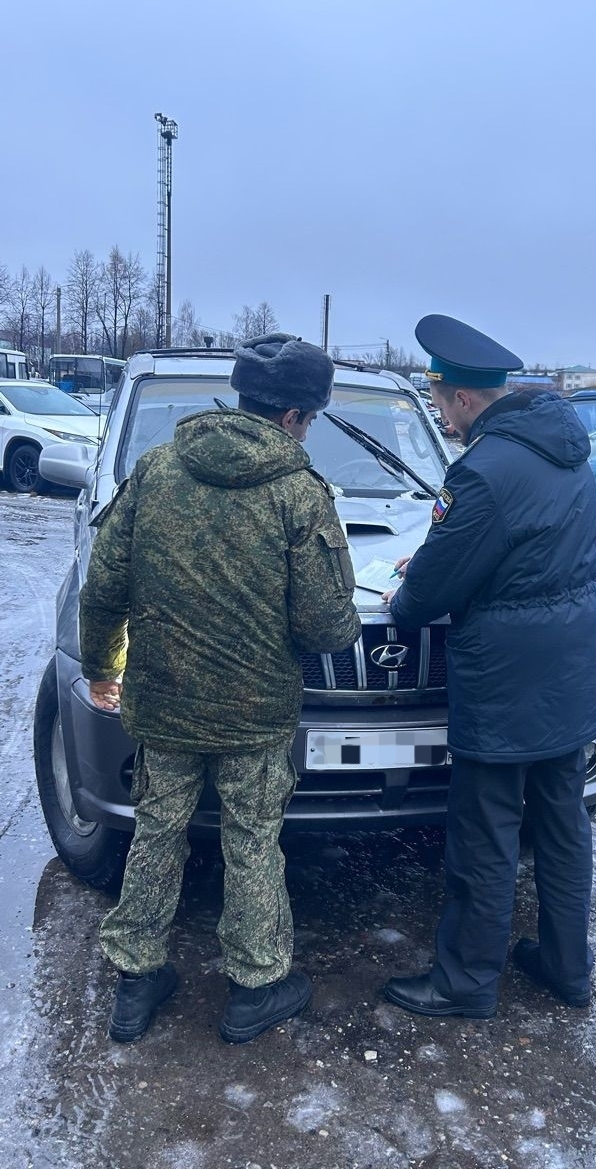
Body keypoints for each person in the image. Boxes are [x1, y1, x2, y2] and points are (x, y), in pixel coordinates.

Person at [80, 334, 361, 1044]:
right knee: (253, 844)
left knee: (156, 835)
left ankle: (136, 983)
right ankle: (254, 990)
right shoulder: (300, 494)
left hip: (164, 706)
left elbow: (103, 586)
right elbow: (329, 628)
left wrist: (100, 668)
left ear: (242, 397)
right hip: (255, 717)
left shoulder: (156, 470)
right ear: (298, 415)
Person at [383, 313, 596, 1019]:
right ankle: (567, 969)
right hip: (570, 670)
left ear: (464, 399)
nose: (442, 419)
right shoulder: (568, 452)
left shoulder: (481, 470)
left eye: (442, 404)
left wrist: (408, 585)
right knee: (563, 827)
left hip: (506, 681)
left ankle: (464, 983)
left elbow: (424, 601)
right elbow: (531, 551)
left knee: (486, 831)